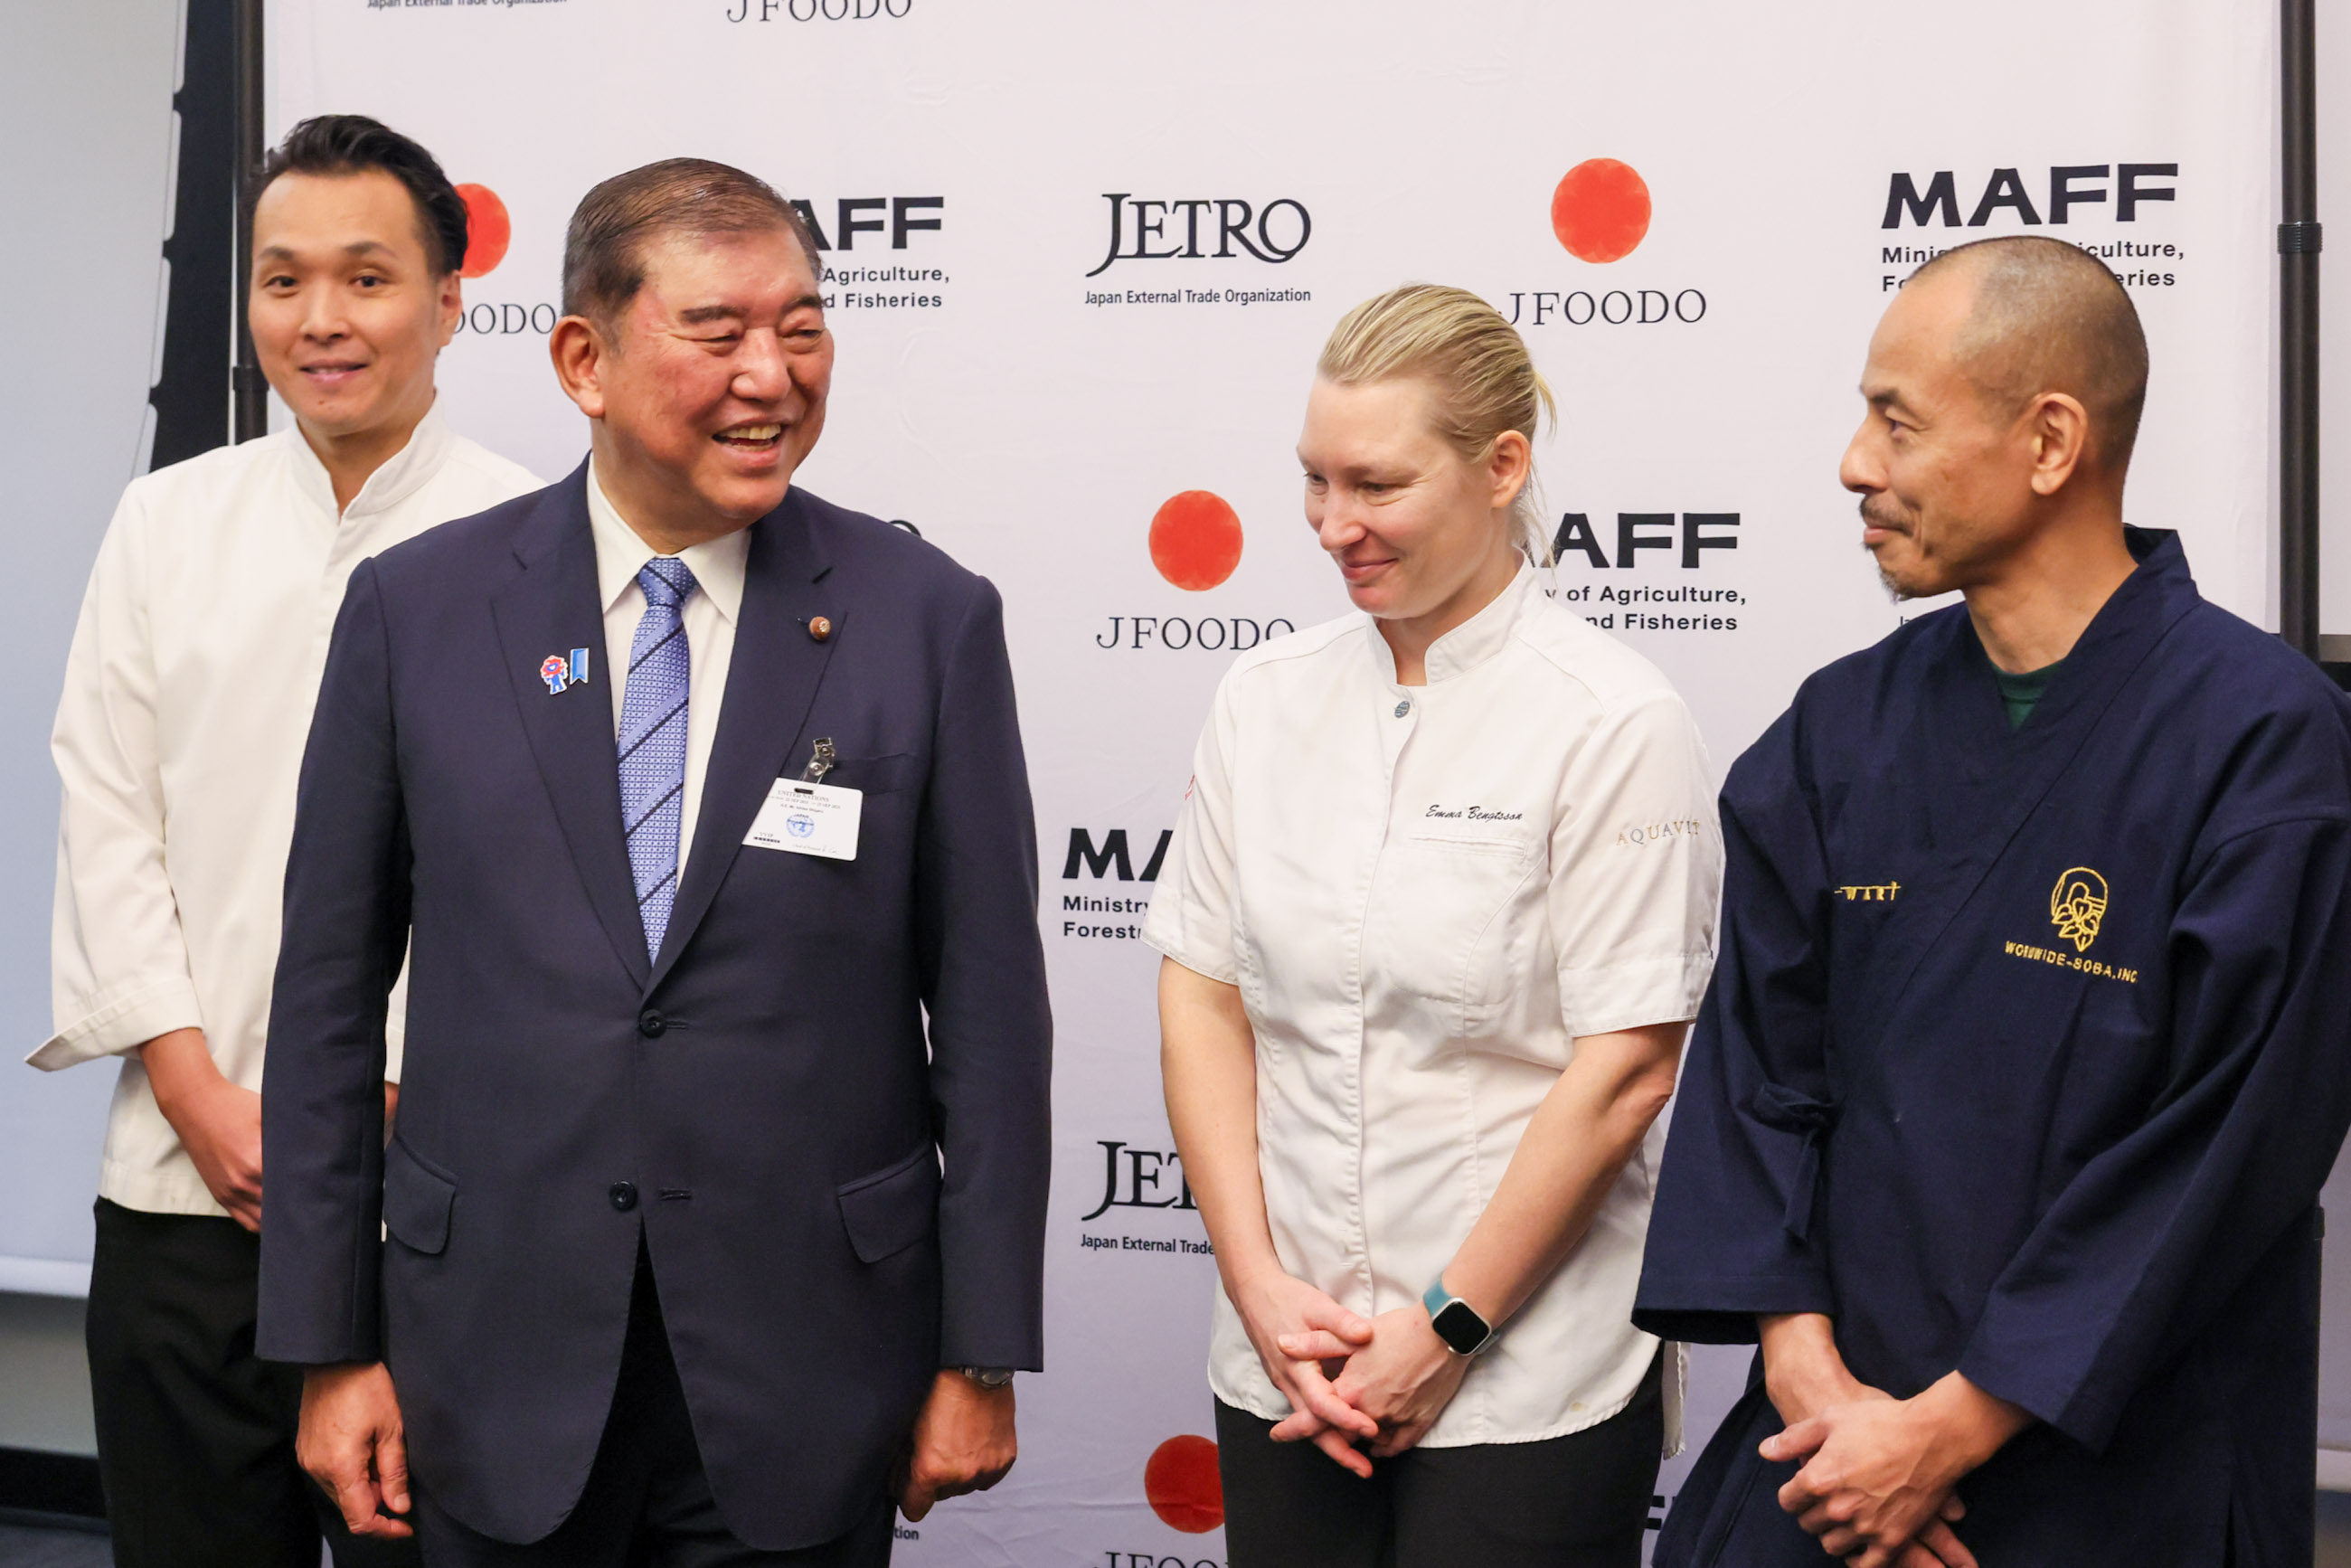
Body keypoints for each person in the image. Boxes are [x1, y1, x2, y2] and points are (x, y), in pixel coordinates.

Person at [255, 157, 1052, 1567]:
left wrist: (978, 1350)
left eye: (802, 329)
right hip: (482, 1359)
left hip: (807, 1367)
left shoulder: (925, 620)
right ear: (585, 359)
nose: (773, 372)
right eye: (720, 331)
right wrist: (327, 1346)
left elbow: (989, 1018)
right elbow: (325, 999)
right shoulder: (419, 611)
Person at [1635, 236, 2351, 1568]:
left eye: (1895, 420)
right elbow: (1754, 1084)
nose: (1855, 463)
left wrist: (1949, 1432)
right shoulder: (1835, 733)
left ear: (2049, 440)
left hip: (2119, 1473)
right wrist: (1827, 1401)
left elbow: (2225, 1152)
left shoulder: (2268, 743)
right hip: (1829, 1465)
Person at [1145, 284, 1723, 1568]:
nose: (1334, 525)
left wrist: (1447, 1326)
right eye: (1313, 482)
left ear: (1503, 466)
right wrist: (1258, 1285)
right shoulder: (1264, 698)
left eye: (1377, 485)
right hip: (1290, 1365)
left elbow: (1626, 1068)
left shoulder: (1611, 720)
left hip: (1528, 1382)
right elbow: (1203, 991)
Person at [30, 115, 538, 1568]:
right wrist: (194, 1086)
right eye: (282, 279)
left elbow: (521, 879)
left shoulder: (535, 542)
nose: (320, 319)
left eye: (367, 279)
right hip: (188, 1192)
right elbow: (109, 812)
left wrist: (381, 1096)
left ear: (449, 300)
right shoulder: (164, 520)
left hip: (439, 1202)